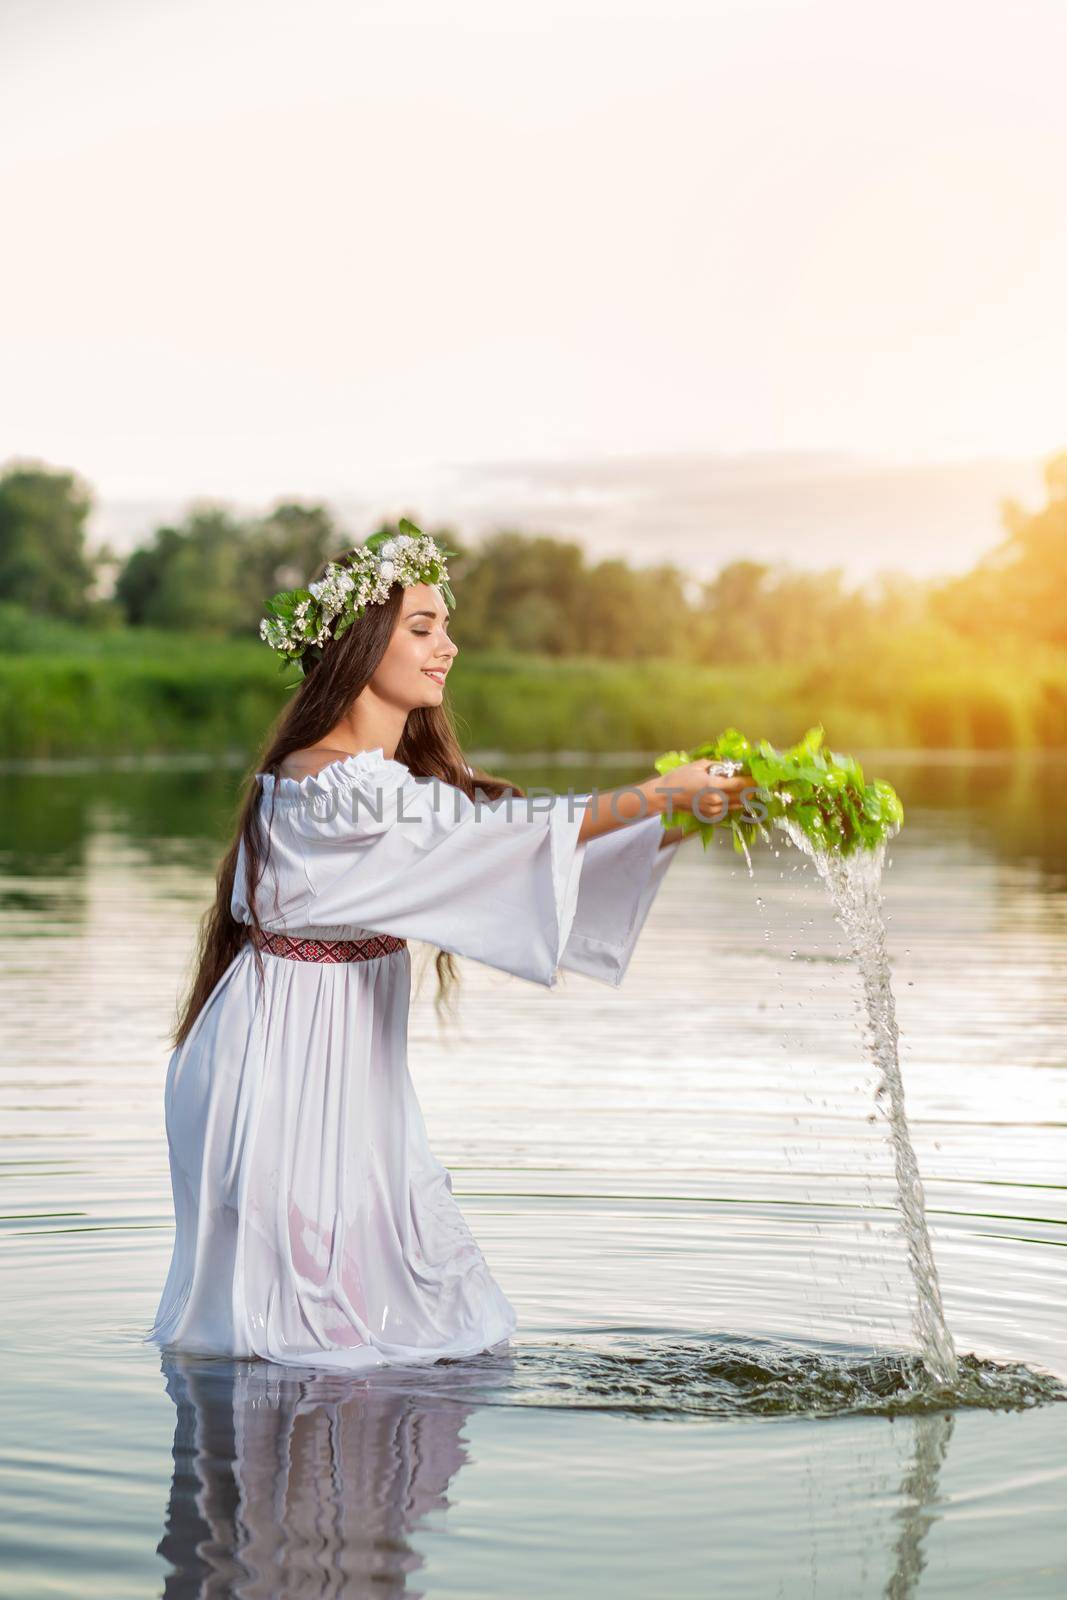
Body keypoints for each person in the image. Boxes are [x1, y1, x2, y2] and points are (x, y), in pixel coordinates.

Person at [145, 525, 750, 1370]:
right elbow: (496, 836)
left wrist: (671, 813)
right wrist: (654, 793)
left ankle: (337, 1487)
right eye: (422, 627)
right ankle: (277, 1486)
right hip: (281, 1064)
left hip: (343, 1062)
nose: (448, 647)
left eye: (443, 627)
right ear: (359, 647)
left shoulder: (387, 783)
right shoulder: (330, 783)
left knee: (383, 1315)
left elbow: (495, 843)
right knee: (290, 1327)